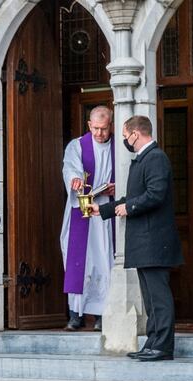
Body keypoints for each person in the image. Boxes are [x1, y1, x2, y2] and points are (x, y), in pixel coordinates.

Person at [91, 115, 183, 362]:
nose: (123, 140)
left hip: (154, 241)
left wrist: (128, 208)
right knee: (150, 299)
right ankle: (153, 342)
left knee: (159, 298)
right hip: (146, 243)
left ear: (135, 134)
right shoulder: (144, 159)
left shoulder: (155, 158)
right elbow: (133, 195)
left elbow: (155, 195)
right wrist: (105, 210)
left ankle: (163, 346)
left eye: (124, 135)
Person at [61, 106, 116, 331]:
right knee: (78, 261)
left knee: (105, 260)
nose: (99, 134)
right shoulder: (77, 145)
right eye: (95, 129)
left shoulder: (119, 148)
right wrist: (74, 180)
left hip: (107, 211)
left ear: (110, 125)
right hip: (81, 209)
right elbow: (70, 168)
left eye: (103, 129)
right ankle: (76, 313)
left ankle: (103, 312)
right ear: (88, 125)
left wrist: (117, 187)